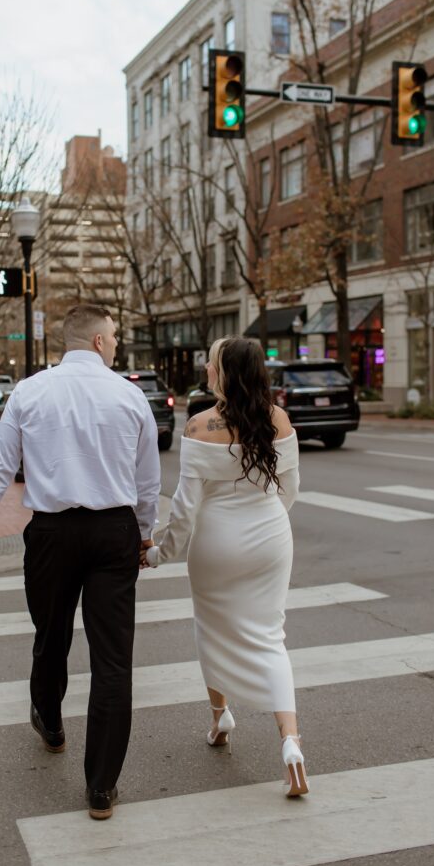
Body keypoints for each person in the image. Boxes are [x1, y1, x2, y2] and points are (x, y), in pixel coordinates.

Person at [0, 304, 161, 819]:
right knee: (113, 660)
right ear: (97, 342)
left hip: (50, 533)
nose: (117, 344)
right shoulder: (129, 395)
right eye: (114, 336)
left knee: (51, 637)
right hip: (113, 530)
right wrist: (143, 533)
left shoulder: (29, 392)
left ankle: (49, 722)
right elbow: (147, 481)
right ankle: (100, 787)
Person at [144, 335, 308, 796]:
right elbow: (290, 488)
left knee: (210, 630)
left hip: (215, 542)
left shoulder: (199, 426)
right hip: (271, 537)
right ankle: (291, 743)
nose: (207, 370)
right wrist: (268, 521)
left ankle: (221, 720)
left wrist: (161, 553)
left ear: (225, 372)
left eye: (212, 363)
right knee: (271, 637)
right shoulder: (277, 419)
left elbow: (184, 509)